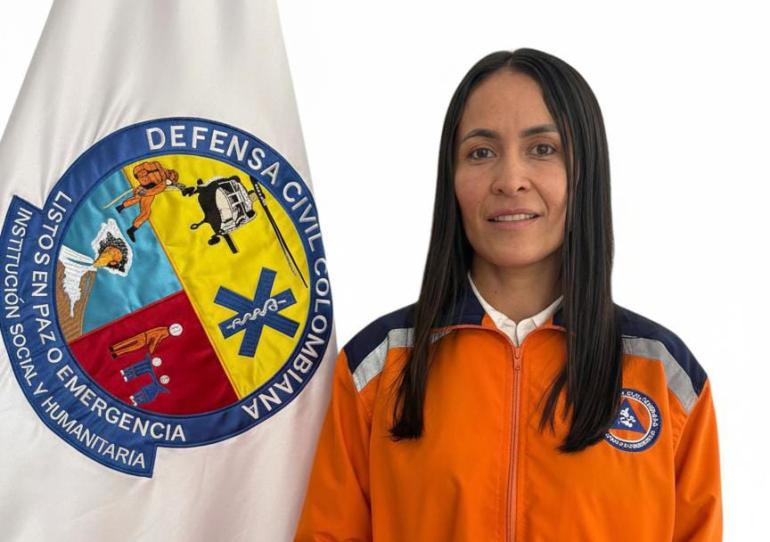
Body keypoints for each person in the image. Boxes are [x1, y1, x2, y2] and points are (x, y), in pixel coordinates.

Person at [294, 48, 722, 541]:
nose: (511, 180)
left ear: (585, 171)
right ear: (451, 179)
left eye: (543, 149)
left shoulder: (665, 377)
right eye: (481, 152)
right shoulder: (378, 367)